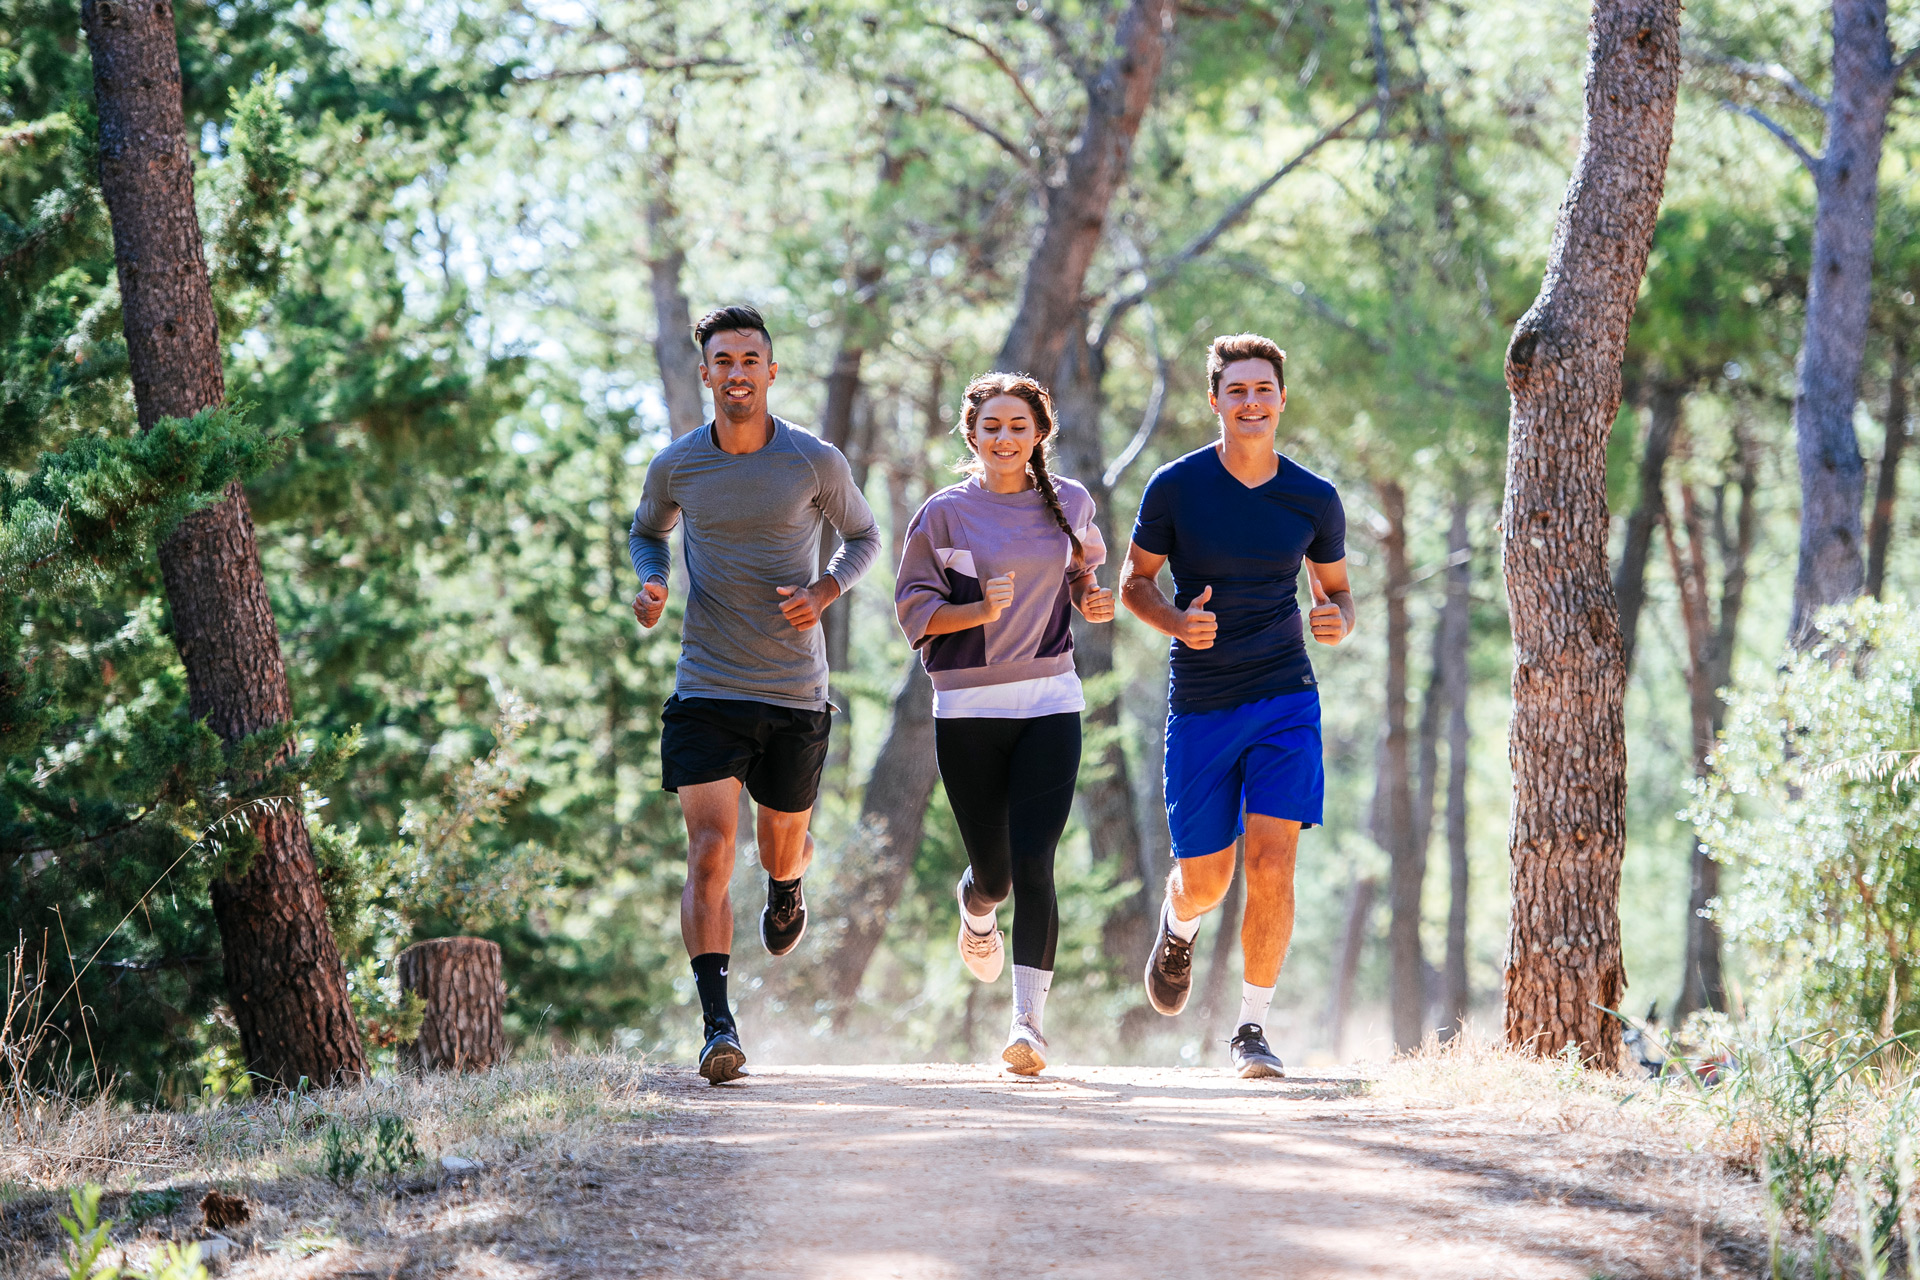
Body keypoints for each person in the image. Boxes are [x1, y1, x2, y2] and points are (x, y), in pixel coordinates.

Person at [630, 303, 881, 1084]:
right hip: (706, 685)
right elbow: (647, 529)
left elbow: (866, 537)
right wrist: (653, 577)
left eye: (750, 360)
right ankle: (717, 1027)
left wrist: (829, 589)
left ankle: (787, 884)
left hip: (794, 690)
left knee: (780, 846)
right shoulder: (679, 464)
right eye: (723, 361)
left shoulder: (814, 462)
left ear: (771, 372)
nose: (736, 374)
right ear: (705, 372)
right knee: (709, 851)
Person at [1119, 333, 1355, 1079]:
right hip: (1203, 701)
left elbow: (1338, 593)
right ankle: (1178, 925)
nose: (1251, 402)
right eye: (1237, 390)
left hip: (1285, 694)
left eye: (1263, 390)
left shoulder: (1312, 497)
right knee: (1208, 879)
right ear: (1215, 401)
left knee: (1273, 859)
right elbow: (1134, 584)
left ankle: (1252, 1027)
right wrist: (1176, 621)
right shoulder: (1176, 486)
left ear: (1281, 400)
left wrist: (1338, 621)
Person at [894, 373, 1114, 1075]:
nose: (1005, 438)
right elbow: (915, 610)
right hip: (966, 706)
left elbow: (1080, 578)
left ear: (1039, 433)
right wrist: (979, 612)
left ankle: (1027, 1024)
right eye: (992, 426)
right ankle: (974, 906)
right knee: (993, 875)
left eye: (1018, 426)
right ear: (972, 434)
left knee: (1035, 860)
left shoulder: (1070, 504)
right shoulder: (944, 514)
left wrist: (1092, 600)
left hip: (1050, 697)